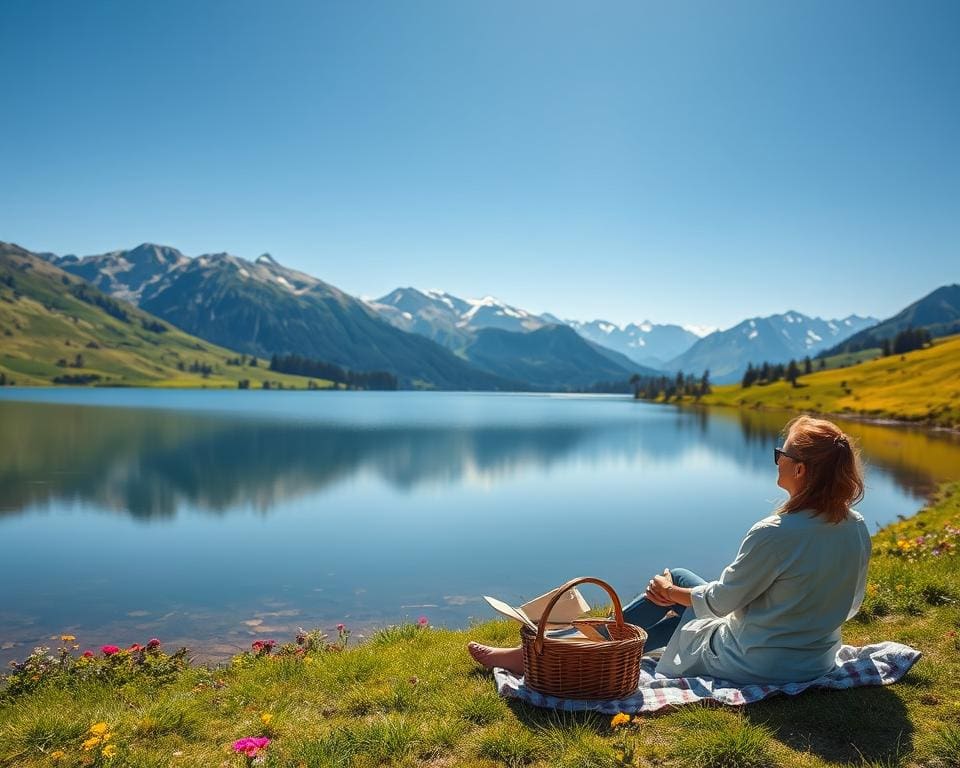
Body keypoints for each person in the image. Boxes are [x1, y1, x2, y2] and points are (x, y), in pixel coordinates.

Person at [468, 415, 871, 685]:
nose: (777, 461)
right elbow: (850, 607)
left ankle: (553, 648)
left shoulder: (776, 533)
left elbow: (721, 602)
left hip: (759, 662)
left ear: (800, 470)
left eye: (780, 454)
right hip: (815, 658)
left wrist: (670, 594)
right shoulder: (855, 526)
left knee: (675, 587)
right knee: (677, 595)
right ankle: (575, 645)